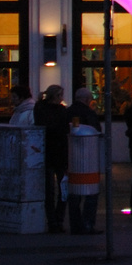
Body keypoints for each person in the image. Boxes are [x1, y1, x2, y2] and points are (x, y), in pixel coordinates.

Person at [33, 85, 70, 234]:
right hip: (59, 151)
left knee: (50, 190)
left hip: (48, 151)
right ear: (57, 96)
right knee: (62, 189)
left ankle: (53, 220)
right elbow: (61, 129)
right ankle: (58, 220)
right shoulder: (61, 111)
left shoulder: (40, 108)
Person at [67, 118, 103, 235]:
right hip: (90, 163)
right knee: (91, 196)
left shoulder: (69, 114)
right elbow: (98, 131)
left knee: (74, 197)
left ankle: (75, 225)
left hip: (74, 163)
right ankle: (87, 224)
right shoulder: (89, 116)